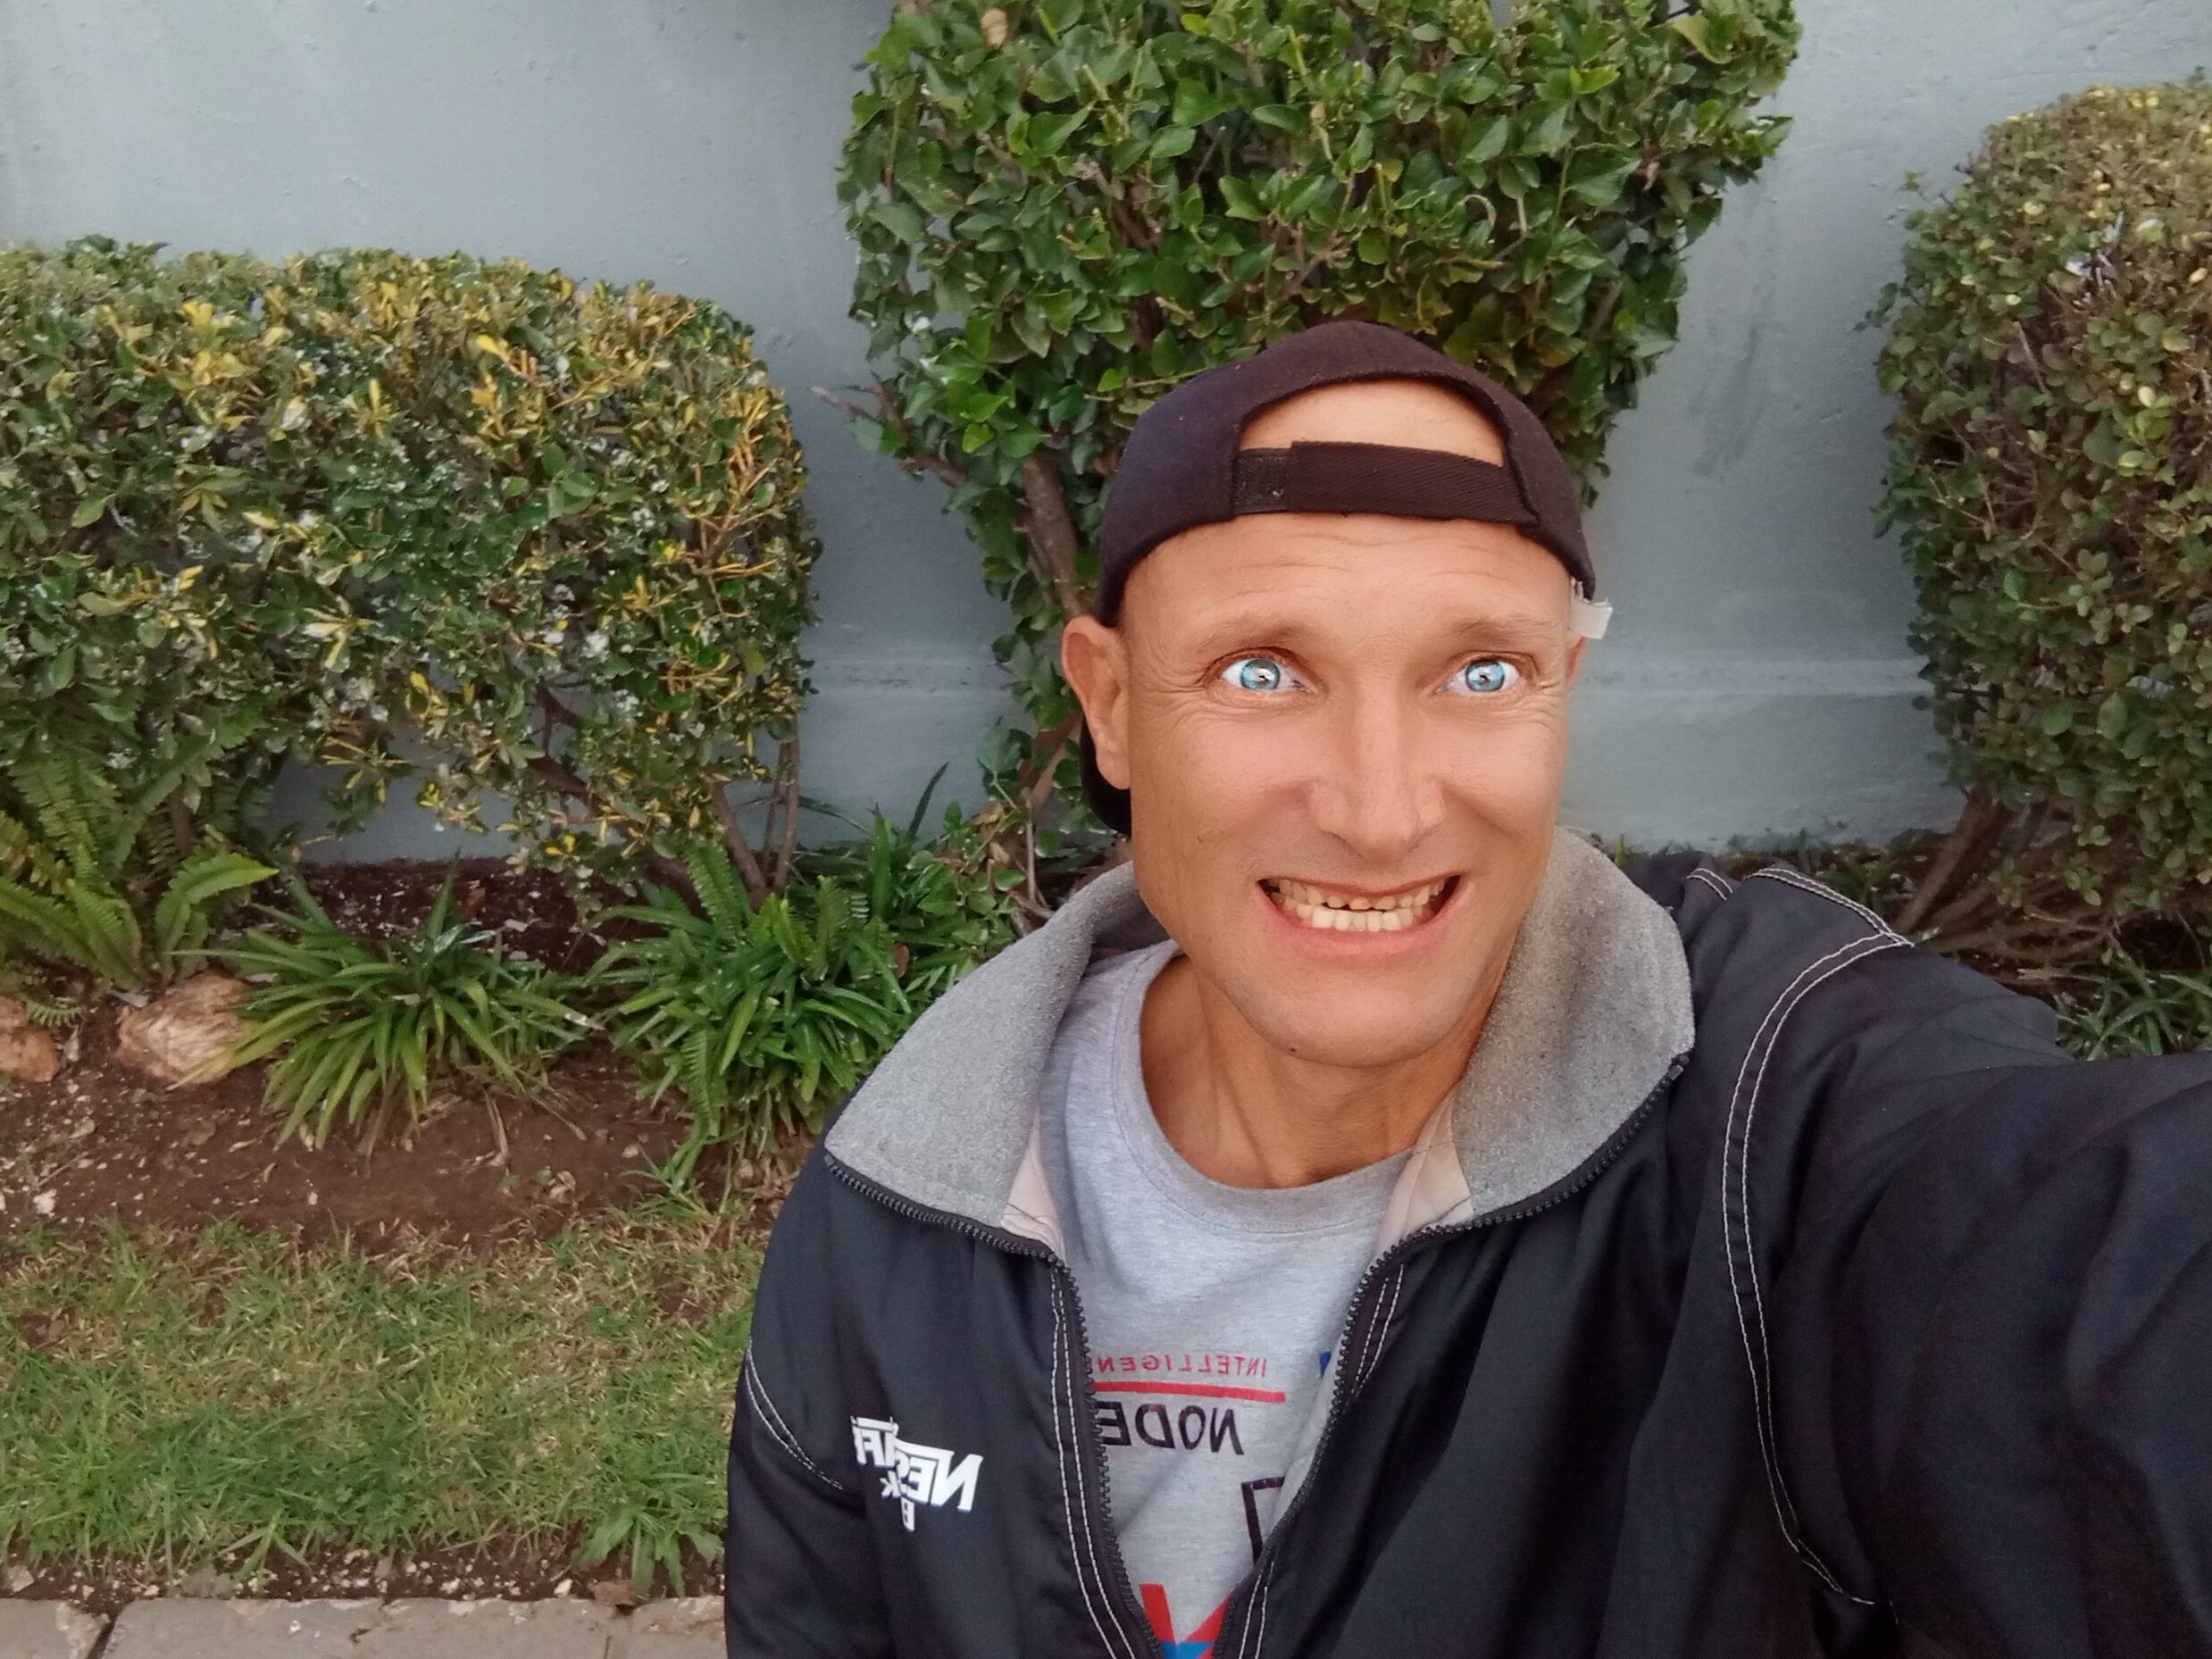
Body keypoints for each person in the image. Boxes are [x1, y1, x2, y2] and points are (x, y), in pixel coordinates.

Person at [723, 321, 2212, 1659]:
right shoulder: (908, 1207)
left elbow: (2075, 1283)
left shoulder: (1768, 1121)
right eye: (1261, 670)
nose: (1380, 812)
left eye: (1482, 674)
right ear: (1110, 704)